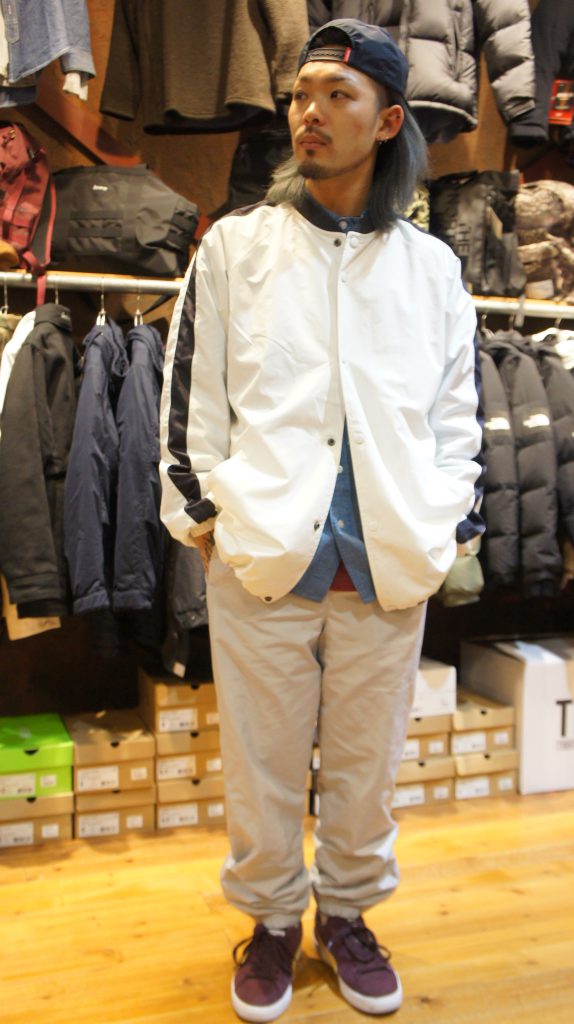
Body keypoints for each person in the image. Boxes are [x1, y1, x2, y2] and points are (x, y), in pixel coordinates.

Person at [159, 18, 483, 1023]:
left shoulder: (430, 268)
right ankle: (268, 920)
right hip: (264, 552)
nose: (310, 112)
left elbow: (456, 413)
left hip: (386, 555)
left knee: (365, 765)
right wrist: (205, 517)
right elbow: (190, 399)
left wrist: (449, 521)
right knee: (259, 764)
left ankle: (347, 914)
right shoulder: (236, 249)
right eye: (302, 94)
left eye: (338, 96)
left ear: (387, 121)